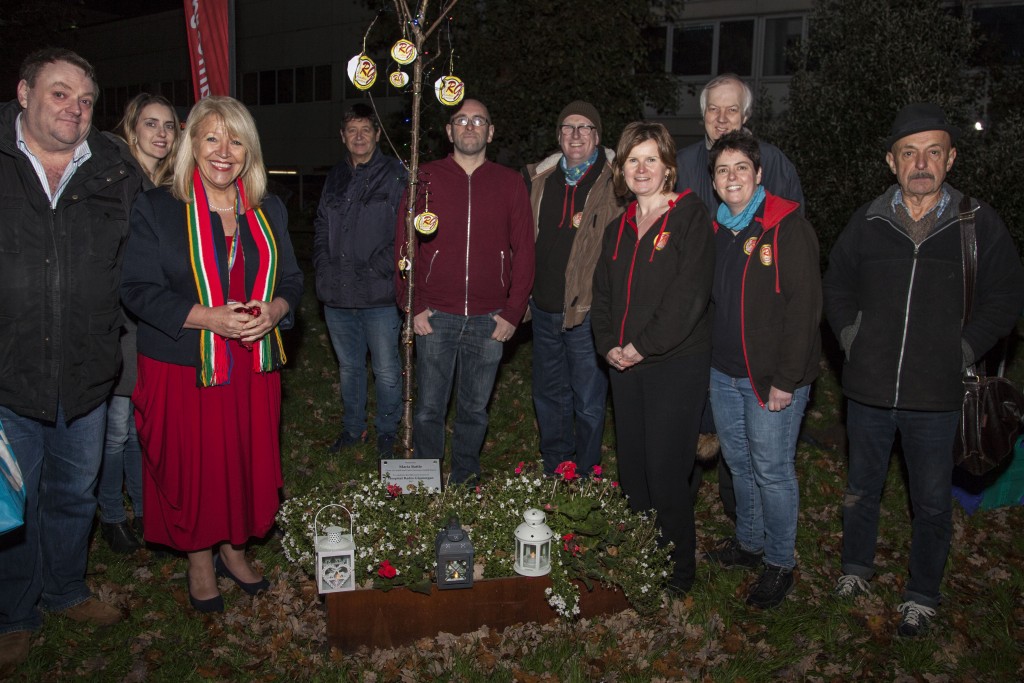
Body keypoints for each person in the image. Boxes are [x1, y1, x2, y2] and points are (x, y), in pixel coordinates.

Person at [823, 103, 1024, 636]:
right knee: (861, 489)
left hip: (938, 397)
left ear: (951, 159)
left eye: (933, 152)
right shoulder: (868, 221)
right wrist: (850, 336)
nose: (921, 162)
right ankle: (855, 570)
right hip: (867, 390)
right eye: (909, 152)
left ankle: (921, 594)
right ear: (892, 161)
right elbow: (836, 283)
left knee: (932, 503)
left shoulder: (977, 223)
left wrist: (962, 349)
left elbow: (1005, 296)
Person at [121, 96, 303, 613]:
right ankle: (200, 559)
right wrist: (209, 317)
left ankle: (235, 548)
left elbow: (291, 276)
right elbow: (135, 288)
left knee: (242, 462)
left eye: (237, 139)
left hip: (252, 365)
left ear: (250, 150)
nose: (225, 151)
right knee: (193, 468)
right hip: (183, 365)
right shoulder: (158, 207)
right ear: (191, 145)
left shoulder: (268, 208)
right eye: (212, 138)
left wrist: (276, 309)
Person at [0, 48, 143, 670]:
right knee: (12, 504)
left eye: (86, 100)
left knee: (74, 495)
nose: (75, 109)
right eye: (60, 94)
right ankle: (13, 613)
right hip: (8, 375)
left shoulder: (114, 169)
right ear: (25, 92)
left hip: (88, 373)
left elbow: (144, 259)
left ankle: (64, 590)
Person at [591, 122, 714, 595]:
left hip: (674, 364)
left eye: (650, 160)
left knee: (666, 472)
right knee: (634, 472)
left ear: (667, 168)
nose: (641, 169)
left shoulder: (689, 217)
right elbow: (601, 295)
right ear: (621, 169)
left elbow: (689, 297)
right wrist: (609, 346)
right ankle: (645, 560)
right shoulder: (618, 226)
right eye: (632, 160)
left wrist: (642, 346)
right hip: (624, 365)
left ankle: (678, 575)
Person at [678, 73, 806, 524]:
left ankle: (744, 523)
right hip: (695, 325)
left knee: (754, 448)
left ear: (747, 117)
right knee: (699, 419)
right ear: (703, 116)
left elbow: (792, 256)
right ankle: (683, 511)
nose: (722, 117)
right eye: (714, 109)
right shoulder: (681, 163)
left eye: (732, 109)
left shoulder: (774, 164)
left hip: (754, 330)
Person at [703, 131, 821, 609]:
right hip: (723, 372)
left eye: (741, 169)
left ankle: (779, 562)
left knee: (772, 470)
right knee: (739, 464)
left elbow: (805, 309)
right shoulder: (716, 230)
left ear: (758, 175)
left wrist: (786, 379)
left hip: (770, 379)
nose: (732, 178)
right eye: (723, 170)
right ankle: (750, 543)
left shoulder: (786, 226)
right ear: (713, 181)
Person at [396, 99, 535, 485]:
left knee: (475, 409)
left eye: (478, 120)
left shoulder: (510, 183)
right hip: (435, 315)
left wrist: (512, 312)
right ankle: (425, 482)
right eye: (461, 120)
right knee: (428, 409)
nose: (470, 126)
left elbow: (525, 251)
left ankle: (464, 477)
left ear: (490, 132)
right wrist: (413, 306)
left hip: (490, 319)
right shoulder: (424, 179)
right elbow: (404, 247)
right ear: (449, 131)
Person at [97, 93, 180, 553]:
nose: (161, 134)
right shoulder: (114, 177)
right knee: (116, 426)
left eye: (169, 125)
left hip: (154, 316)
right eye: (151, 124)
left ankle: (145, 508)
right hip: (117, 318)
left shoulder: (171, 184)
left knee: (138, 424)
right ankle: (111, 512)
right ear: (132, 128)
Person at [522, 101, 620, 477]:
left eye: (584, 128)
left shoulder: (615, 182)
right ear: (558, 135)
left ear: (597, 136)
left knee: (589, 400)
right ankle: (556, 468)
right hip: (543, 308)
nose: (575, 135)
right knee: (548, 396)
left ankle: (586, 472)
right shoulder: (539, 179)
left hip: (587, 310)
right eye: (568, 127)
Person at [314, 103, 406, 458]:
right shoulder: (335, 175)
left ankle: (387, 430)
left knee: (385, 369)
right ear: (342, 135)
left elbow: (405, 231)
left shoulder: (395, 175)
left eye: (366, 129)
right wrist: (322, 264)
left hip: (378, 294)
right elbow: (322, 223)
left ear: (377, 134)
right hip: (336, 295)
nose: (359, 136)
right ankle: (353, 429)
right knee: (349, 368)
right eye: (352, 130)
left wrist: (379, 268)